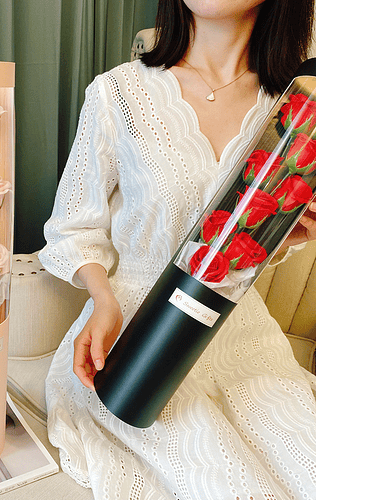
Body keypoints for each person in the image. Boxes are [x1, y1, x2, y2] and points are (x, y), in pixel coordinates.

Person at [38, 0, 316, 498]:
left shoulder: (298, 110)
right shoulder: (119, 93)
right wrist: (103, 299)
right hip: (133, 335)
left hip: (241, 333)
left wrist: (282, 235)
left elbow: (247, 248)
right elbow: (71, 226)